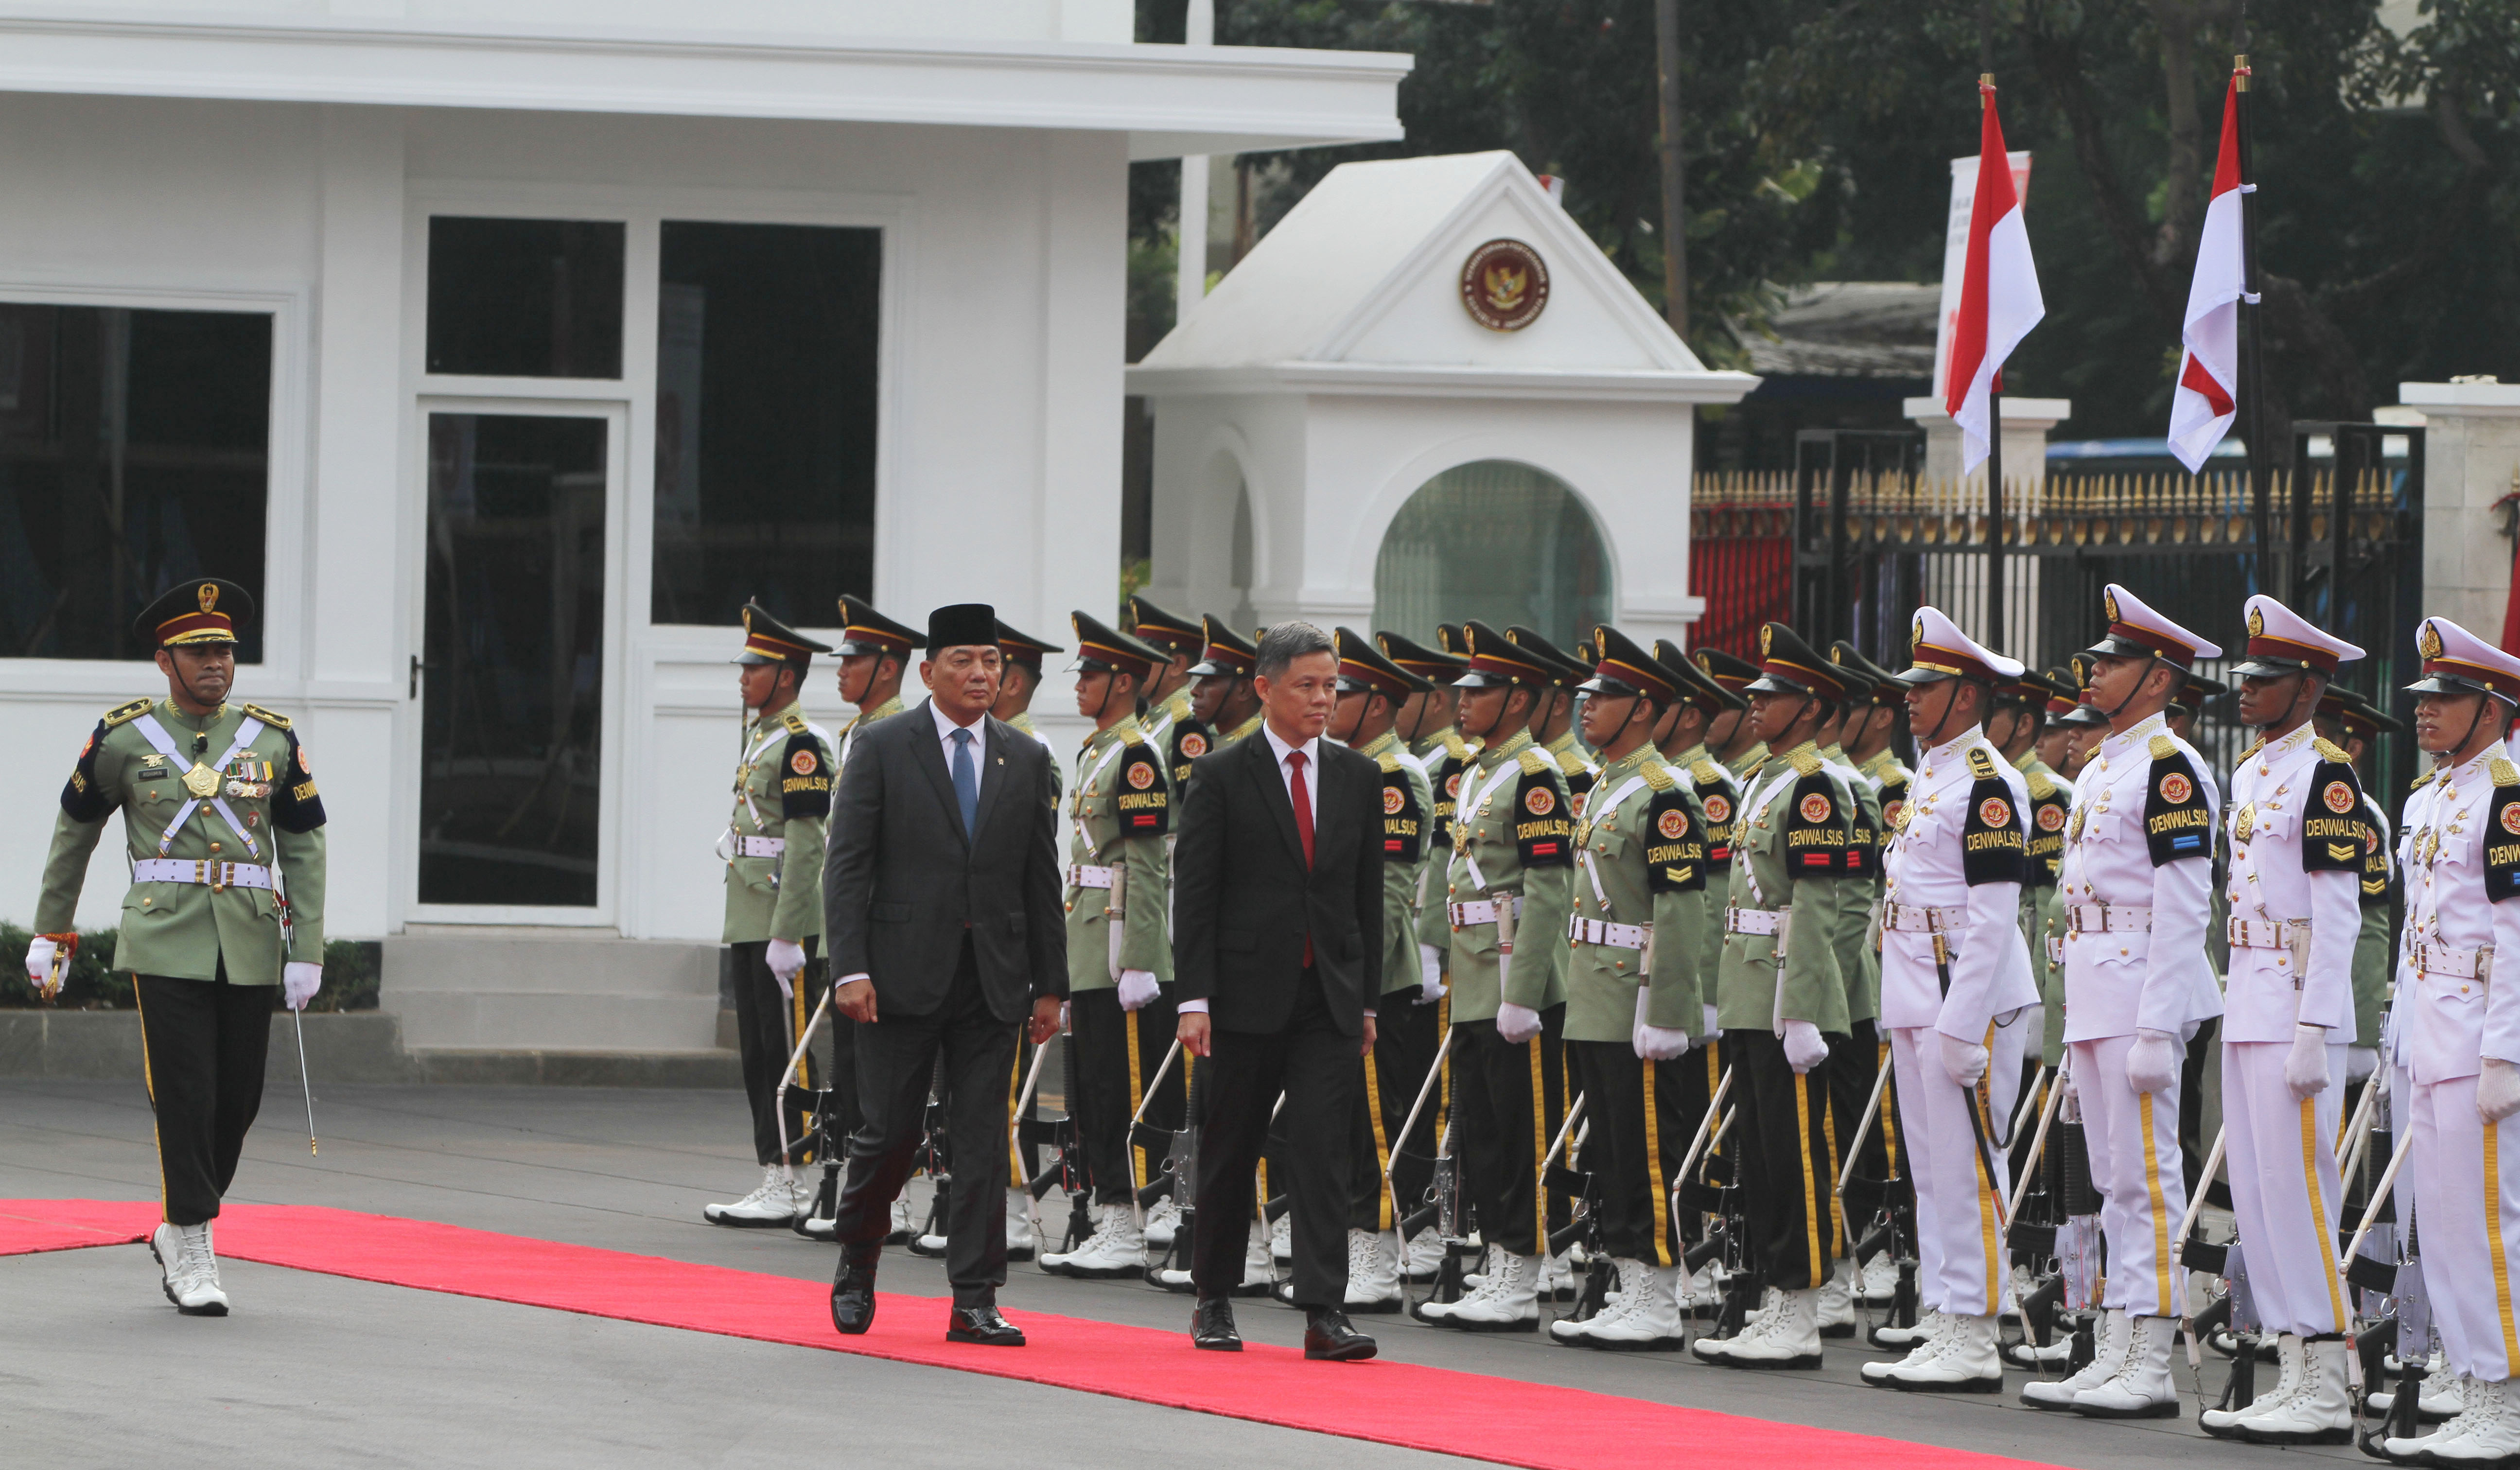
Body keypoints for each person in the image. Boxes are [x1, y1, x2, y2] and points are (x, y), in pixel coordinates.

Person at [26, 578, 328, 1315]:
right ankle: (191, 1240)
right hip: (165, 936)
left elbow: (305, 842)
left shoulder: (272, 740)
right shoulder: (124, 738)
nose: (216, 663)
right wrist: (51, 927)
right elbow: (76, 832)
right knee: (186, 1092)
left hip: (252, 938)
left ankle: (179, 1219)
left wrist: (307, 946)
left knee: (240, 1097)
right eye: (198, 651)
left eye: (223, 649)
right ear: (165, 660)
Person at [821, 604, 1066, 1347]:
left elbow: (1039, 877)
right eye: (964, 661)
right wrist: (851, 966)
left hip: (992, 977)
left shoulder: (1023, 758)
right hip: (898, 976)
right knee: (889, 1134)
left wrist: (1050, 983)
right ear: (929, 672)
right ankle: (859, 1259)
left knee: (983, 1139)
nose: (982, 675)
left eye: (991, 662)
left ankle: (974, 1298)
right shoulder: (884, 745)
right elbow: (848, 863)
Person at [2032, 583, 2225, 1418]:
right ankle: (2113, 1341)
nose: (2094, 670)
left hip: (2139, 985)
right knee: (2111, 1178)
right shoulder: (2106, 761)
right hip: (2094, 989)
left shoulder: (2170, 768)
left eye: (2112, 661)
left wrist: (2156, 1020)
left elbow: (2183, 904)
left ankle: (2146, 1356)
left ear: (2155, 679)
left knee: (2147, 1178)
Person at [1171, 621, 1384, 1361]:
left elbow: (1367, 898)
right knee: (1231, 1147)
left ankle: (1324, 1310)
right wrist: (1193, 998)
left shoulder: (1359, 777)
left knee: (1325, 1152)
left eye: (1332, 686)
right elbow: (1194, 895)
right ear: (1266, 688)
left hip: (1326, 994)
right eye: (1308, 685)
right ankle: (1214, 1296)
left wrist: (1366, 1002)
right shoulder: (1222, 775)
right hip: (1241, 994)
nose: (1324, 699)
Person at [2188, 595, 2368, 1442]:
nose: (2243, 689)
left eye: (2263, 678)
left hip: (2293, 1004)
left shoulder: (2325, 773)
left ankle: (2325, 1376)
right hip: (2248, 993)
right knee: (2257, 1196)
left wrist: (2313, 1023)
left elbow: (2337, 914)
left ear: (2305, 686)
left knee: (2298, 1193)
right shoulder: (2250, 770)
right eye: (2244, 675)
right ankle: (2290, 1361)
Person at [1860, 608, 2040, 1392]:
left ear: (1963, 697)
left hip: (1962, 993)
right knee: (1930, 1169)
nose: (1908, 698)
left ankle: (1972, 1328)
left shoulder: (1986, 781)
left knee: (1967, 1164)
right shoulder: (1931, 772)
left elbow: (1993, 913)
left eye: (1924, 686)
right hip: (1912, 987)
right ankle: (1946, 1311)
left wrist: (1961, 1024)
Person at [1689, 623, 1865, 1370]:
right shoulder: (1766, 781)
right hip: (1747, 989)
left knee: (1793, 1158)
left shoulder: (1816, 787)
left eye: (1776, 697)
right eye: (1758, 696)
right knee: (1758, 1157)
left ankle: (1798, 1307)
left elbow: (1819, 908)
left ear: (1813, 706)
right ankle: (1773, 1296)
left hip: (1784, 997)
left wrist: (1801, 1008)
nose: (1757, 707)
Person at [2373, 617, 2520, 1463]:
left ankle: (2501, 1400)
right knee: (2441, 1222)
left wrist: (2504, 1051)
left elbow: (2513, 933)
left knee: (2486, 1224)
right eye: (2424, 697)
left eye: (2447, 697)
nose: (2426, 712)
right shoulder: (2427, 796)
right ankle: (2470, 1383)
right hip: (2426, 1029)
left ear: (2491, 706)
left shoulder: (2506, 793)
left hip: (2476, 1034)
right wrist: (2399, 1037)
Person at [1546, 630, 1712, 1348]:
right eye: (1586, 695)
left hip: (1634, 994)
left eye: (1606, 696)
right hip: (1594, 993)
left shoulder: (1666, 795)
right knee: (1610, 1146)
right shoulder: (1609, 785)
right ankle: (1626, 1275)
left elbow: (1679, 912)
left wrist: (1666, 1006)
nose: (1588, 708)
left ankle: (1657, 1288)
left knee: (1648, 1146)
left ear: (1644, 708)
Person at [1412, 621, 1575, 1333]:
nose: (1462, 699)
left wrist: (1525, 992)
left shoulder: (1537, 775)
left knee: (1521, 1128)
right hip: (1475, 971)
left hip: (1513, 975)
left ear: (1517, 699)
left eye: (1479, 689)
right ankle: (1499, 1256)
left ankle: (1524, 1263)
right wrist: (1433, 951)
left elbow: (1547, 889)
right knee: (1479, 1124)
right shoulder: (1477, 772)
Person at [1038, 613, 1182, 1280]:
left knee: (1128, 1088)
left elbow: (1150, 864)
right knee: (1094, 1087)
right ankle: (1112, 1210)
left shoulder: (1136, 757)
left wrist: (1143, 958)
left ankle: (1137, 1216)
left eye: (1091, 675)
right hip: (1090, 936)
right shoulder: (1099, 751)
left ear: (1124, 682)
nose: (1080, 686)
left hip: (1122, 941)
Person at [705, 605, 841, 1230]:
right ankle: (775, 1170)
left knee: (789, 1055)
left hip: (782, 921)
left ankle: (795, 1172)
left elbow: (808, 843)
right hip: (750, 913)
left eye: (756, 667)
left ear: (786, 677)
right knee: (759, 1051)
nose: (744, 676)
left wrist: (789, 932)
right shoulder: (763, 736)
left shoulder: (801, 744)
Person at [797, 593, 926, 1243]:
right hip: (852, 932)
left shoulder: (901, 738)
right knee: (854, 1078)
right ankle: (864, 1195)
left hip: (890, 937)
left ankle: (894, 1200)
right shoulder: (858, 736)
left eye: (854, 661)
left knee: (887, 1086)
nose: (841, 671)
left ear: (888, 667)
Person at [1325, 628, 1440, 1311]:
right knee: (1346, 1119)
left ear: (1376, 705)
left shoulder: (1395, 776)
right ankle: (1357, 1240)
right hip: (1345, 969)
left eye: (1342, 692)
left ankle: (1377, 1249)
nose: (1329, 702)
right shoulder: (1350, 766)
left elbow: (1391, 893)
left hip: (1376, 975)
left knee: (1376, 1119)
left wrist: (1355, 974)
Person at [989, 618, 1065, 1261]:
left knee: (1008, 1087)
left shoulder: (1030, 756)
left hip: (1008, 942)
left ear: (1011, 680)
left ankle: (1012, 1214)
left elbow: (1033, 869)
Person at [1126, 595, 1212, 792]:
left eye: (1146, 658)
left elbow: (1193, 803)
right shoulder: (1153, 719)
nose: (1135, 667)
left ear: (1177, 665)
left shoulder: (1189, 723)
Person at [1188, 616, 1264, 750]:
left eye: (1209, 682)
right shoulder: (1216, 746)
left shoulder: (1258, 750)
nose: (1194, 691)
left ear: (1244, 690)